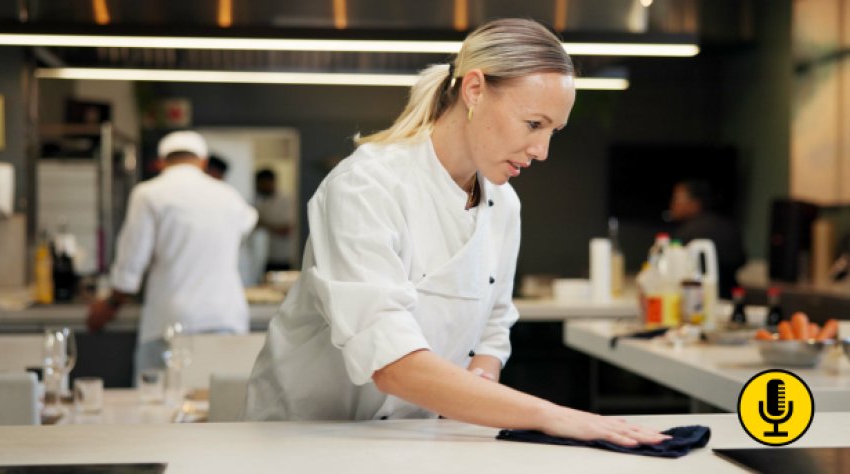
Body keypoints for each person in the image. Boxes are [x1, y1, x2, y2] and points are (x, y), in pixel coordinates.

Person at [243, 19, 668, 446]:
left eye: (552, 132)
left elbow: (494, 322)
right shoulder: (367, 185)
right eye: (534, 124)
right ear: (475, 90)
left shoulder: (503, 204)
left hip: (413, 436)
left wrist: (481, 378)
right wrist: (549, 415)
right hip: (305, 438)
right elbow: (390, 359)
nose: (542, 152)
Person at [86, 131, 258, 376]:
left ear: (161, 161)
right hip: (226, 317)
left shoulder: (149, 194)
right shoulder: (229, 196)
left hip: (172, 320)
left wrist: (110, 305)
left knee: (160, 407)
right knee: (220, 405)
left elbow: (130, 266)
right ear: (203, 161)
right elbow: (248, 222)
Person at [669, 179, 746, 298]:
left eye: (677, 199)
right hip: (730, 295)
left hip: (699, 299)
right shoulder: (728, 225)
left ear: (695, 203)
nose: (673, 204)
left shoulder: (688, 232)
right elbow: (742, 260)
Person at [254, 168, 294, 271]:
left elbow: (287, 230)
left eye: (261, 184)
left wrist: (264, 224)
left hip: (285, 258)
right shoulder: (260, 200)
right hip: (268, 257)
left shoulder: (286, 200)